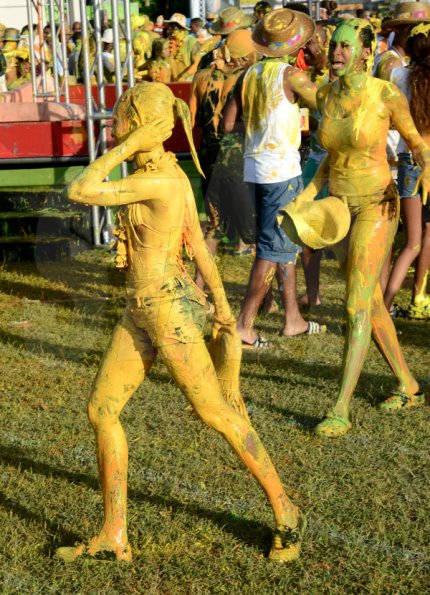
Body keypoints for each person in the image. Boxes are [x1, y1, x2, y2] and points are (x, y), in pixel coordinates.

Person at [56, 82, 306, 563]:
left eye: (119, 120)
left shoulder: (158, 180)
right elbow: (197, 246)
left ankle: (286, 509)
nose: (113, 127)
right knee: (101, 411)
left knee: (216, 413)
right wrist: (226, 310)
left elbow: (79, 187)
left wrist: (126, 146)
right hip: (141, 311)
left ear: (139, 126)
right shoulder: (168, 174)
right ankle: (114, 535)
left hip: (167, 312)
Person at [288, 18, 430, 437]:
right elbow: (329, 158)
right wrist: (301, 198)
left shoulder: (384, 93)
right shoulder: (328, 96)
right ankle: (407, 382)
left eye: (347, 47)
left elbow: (416, 141)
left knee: (353, 305)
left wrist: (426, 167)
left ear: (367, 52)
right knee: (368, 300)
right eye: (335, 45)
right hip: (338, 206)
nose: (337, 53)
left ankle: (341, 406)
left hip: (377, 204)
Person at [224, 8, 325, 344]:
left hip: (256, 167)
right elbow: (327, 108)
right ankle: (244, 325)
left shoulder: (249, 75)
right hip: (281, 169)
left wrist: (261, 128)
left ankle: (292, 318)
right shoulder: (291, 76)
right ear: (296, 45)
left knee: (284, 245)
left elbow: (228, 125)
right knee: (271, 251)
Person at [190, 29, 258, 289]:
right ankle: (267, 300)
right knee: (255, 231)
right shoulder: (248, 78)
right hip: (237, 160)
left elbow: (190, 120)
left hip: (208, 157)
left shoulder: (201, 77)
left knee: (214, 226)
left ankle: (198, 286)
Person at [384, 24, 430, 319]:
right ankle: (414, 299)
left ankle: (385, 304)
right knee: (425, 236)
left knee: (412, 241)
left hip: (407, 161)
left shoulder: (398, 76)